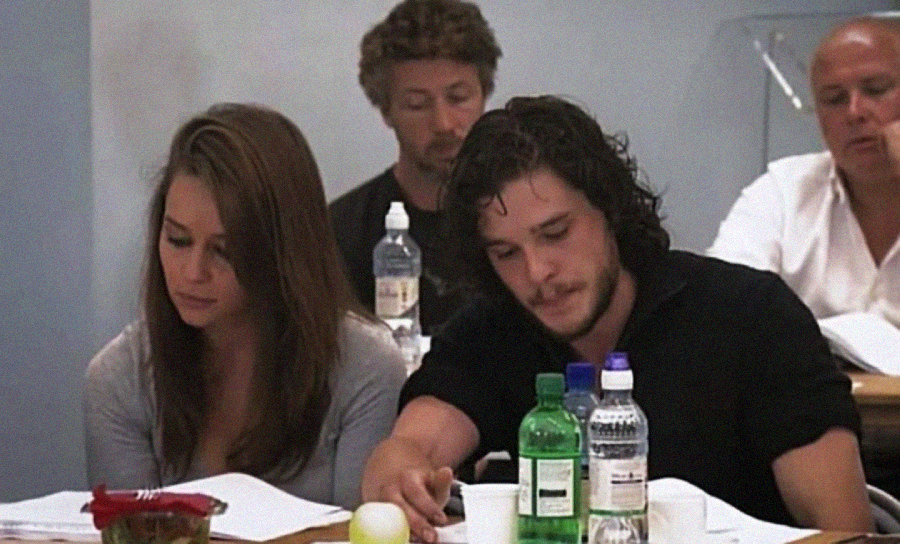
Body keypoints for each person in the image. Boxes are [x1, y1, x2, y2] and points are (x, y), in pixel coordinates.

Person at [361, 96, 873, 543]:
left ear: (609, 208)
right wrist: (398, 473)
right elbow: (413, 447)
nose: (538, 273)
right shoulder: (492, 331)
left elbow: (842, 528)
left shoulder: (751, 316)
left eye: (556, 233)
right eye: (505, 253)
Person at [83, 103, 406, 509]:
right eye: (178, 240)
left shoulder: (365, 367)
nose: (192, 272)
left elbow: (363, 533)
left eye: (224, 250)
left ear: (281, 250)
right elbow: (129, 536)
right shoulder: (119, 379)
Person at [708, 16, 900, 329]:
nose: (855, 112)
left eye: (876, 90)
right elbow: (719, 305)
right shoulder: (783, 191)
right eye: (834, 99)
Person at [328, 0, 502, 335]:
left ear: (484, 94)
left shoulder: (523, 220)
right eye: (417, 105)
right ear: (386, 112)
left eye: (459, 97)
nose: (444, 123)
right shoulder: (341, 234)